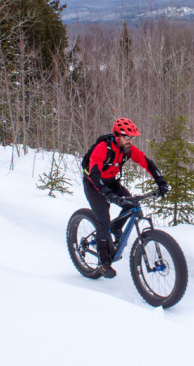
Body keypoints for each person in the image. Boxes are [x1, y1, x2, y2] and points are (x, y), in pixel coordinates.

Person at [82, 117, 169, 278]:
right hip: (94, 184)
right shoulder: (103, 148)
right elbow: (94, 174)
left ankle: (115, 228)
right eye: (127, 137)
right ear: (117, 136)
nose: (130, 141)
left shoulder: (127, 150)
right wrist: (108, 194)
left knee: (131, 205)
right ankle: (103, 263)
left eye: (132, 138)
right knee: (103, 221)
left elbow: (147, 163)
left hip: (111, 182)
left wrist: (161, 182)